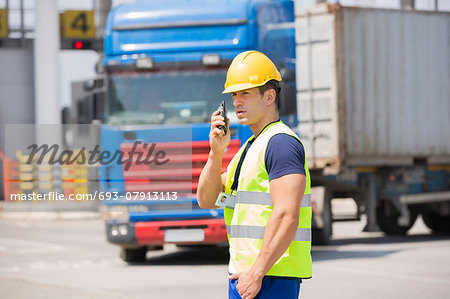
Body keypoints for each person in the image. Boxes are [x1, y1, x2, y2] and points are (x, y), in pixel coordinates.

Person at [197, 50, 312, 299]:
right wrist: (215, 153)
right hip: (248, 277)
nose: (237, 101)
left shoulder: (281, 144)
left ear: (269, 96)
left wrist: (257, 273)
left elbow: (286, 215)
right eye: (234, 94)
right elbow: (207, 200)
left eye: (245, 93)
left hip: (270, 278)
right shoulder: (249, 148)